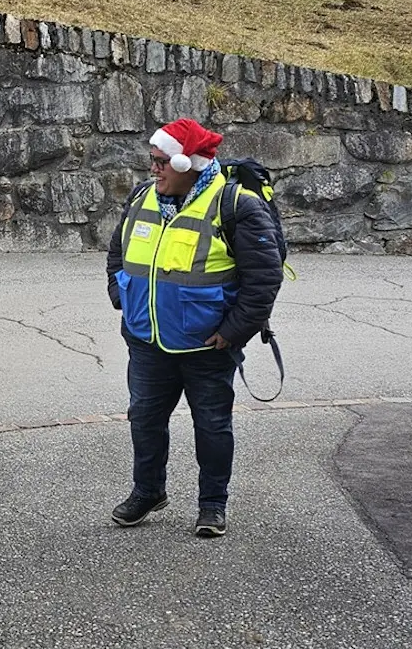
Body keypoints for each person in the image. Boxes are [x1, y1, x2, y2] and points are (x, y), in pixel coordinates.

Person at [105, 118, 284, 538]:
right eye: (152, 159)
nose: (153, 168)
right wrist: (121, 295)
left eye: (161, 161)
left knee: (212, 425)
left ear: (189, 164)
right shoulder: (142, 197)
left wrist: (233, 332)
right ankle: (148, 491)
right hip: (146, 339)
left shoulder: (236, 205)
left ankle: (212, 505)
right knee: (144, 419)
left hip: (208, 346)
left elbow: (264, 278)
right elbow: (117, 252)